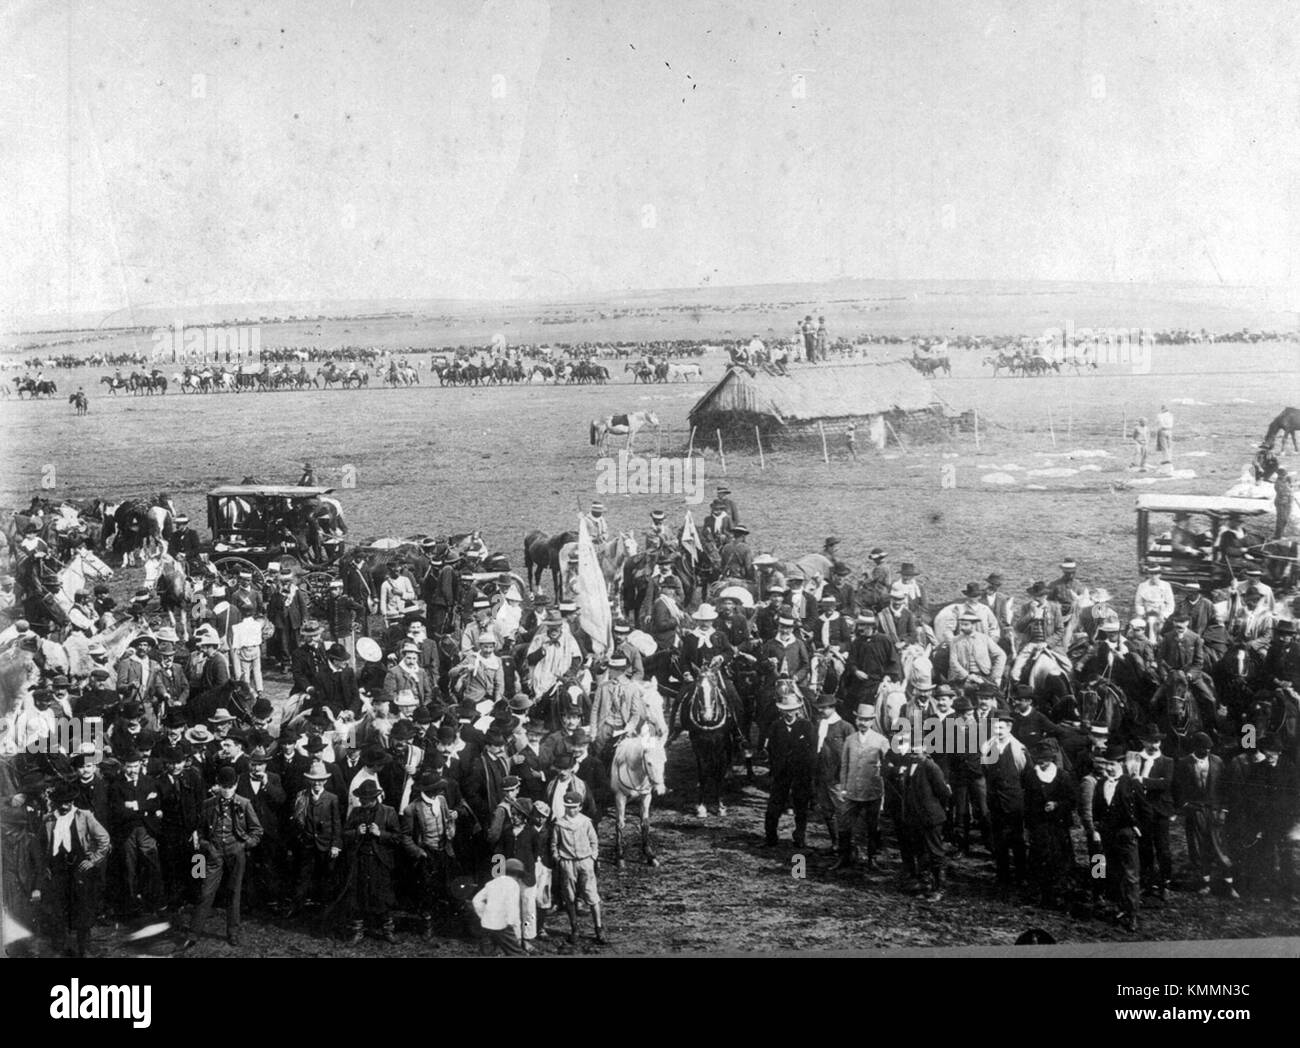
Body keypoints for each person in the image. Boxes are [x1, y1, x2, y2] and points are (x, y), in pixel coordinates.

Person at [182, 765, 264, 950]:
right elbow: (200, 832)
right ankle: (193, 933)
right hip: (214, 852)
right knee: (205, 892)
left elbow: (257, 831)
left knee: (234, 892)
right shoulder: (208, 804)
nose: (227, 790)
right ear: (218, 785)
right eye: (224, 786)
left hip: (236, 852)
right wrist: (207, 846)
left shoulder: (244, 803)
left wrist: (244, 845)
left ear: (235, 785)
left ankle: (232, 932)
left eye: (231, 786)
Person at [34, 780, 111, 958]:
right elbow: (40, 844)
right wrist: (45, 866)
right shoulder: (49, 818)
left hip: (79, 868)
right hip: (57, 869)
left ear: (73, 801)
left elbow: (104, 838)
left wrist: (93, 859)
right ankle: (60, 948)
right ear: (55, 802)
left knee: (82, 908)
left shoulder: (84, 816)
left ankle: (84, 949)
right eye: (61, 802)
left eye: (68, 802)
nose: (65, 805)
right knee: (59, 908)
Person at [1093, 742, 1152, 932]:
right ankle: (1120, 907)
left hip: (1127, 834)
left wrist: (1138, 829)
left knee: (1131, 875)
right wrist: (1098, 826)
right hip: (1108, 835)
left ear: (1121, 764)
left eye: (1113, 764)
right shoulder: (1100, 783)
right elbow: (1097, 808)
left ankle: (1132, 914)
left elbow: (1146, 810)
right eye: (1107, 764)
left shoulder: (1131, 783)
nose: (1109, 768)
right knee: (1114, 872)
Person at [1172, 732, 1236, 897]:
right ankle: (1205, 882)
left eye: (1209, 749)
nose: (1207, 751)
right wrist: (1185, 805)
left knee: (1220, 846)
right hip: (1196, 810)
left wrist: (1224, 809)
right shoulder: (1184, 763)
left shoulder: (1217, 761)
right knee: (1200, 847)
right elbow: (1177, 788)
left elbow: (1225, 788)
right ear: (1196, 748)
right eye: (1203, 749)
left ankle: (1228, 884)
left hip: (1215, 810)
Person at [340, 779, 401, 944]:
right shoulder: (356, 812)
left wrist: (380, 833)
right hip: (359, 860)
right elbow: (344, 834)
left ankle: (388, 930)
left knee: (383, 896)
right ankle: (357, 931)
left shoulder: (389, 812)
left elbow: (398, 838)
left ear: (374, 798)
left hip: (379, 861)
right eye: (360, 799)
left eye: (365, 799)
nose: (361, 801)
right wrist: (356, 833)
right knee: (358, 896)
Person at [401, 770, 458, 940]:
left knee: (448, 887)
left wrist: (451, 825)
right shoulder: (412, 809)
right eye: (434, 789)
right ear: (426, 790)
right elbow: (405, 836)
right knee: (427, 891)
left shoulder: (441, 801)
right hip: (427, 854)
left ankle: (446, 924)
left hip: (444, 851)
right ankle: (427, 925)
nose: (438, 792)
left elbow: (448, 821)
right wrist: (419, 852)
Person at [897, 728, 952, 902]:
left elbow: (943, 792)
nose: (914, 749)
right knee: (921, 852)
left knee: (935, 852)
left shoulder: (930, 766)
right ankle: (925, 884)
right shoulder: (908, 763)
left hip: (931, 817)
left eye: (918, 746)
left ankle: (939, 888)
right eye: (912, 745)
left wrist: (934, 810)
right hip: (916, 817)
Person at [1022, 742, 1077, 909]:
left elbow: (1072, 801)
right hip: (1039, 825)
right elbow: (1027, 801)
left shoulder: (1062, 776)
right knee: (1038, 859)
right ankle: (1038, 893)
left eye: (1044, 761)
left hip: (1058, 825)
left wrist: (1057, 805)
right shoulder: (1031, 776)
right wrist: (1028, 825)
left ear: (1051, 760)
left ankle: (1057, 894)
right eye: (1039, 761)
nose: (1041, 764)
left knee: (1059, 859)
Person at [551, 789, 606, 944]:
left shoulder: (586, 822)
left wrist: (592, 858)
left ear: (580, 807)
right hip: (567, 863)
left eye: (575, 807)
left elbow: (594, 841)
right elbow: (554, 844)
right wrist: (559, 859)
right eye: (568, 807)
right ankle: (574, 928)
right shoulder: (559, 824)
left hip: (585, 862)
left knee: (592, 896)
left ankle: (598, 928)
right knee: (569, 897)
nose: (572, 810)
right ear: (564, 807)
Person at [981, 709, 1028, 889]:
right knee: (999, 839)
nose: (998, 731)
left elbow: (1025, 774)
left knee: (1017, 839)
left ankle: (1021, 875)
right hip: (995, 800)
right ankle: (1002, 875)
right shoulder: (987, 747)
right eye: (995, 727)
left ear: (1009, 728)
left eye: (1001, 728)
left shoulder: (1018, 749)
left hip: (1014, 801)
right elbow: (986, 771)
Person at [765, 691, 815, 849]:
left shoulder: (806, 726)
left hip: (800, 773)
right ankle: (770, 837)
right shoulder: (775, 726)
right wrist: (775, 768)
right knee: (774, 805)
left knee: (801, 806)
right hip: (781, 773)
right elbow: (771, 750)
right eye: (785, 709)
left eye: (792, 709)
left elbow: (812, 751)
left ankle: (799, 836)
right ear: (781, 710)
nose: (789, 713)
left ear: (798, 710)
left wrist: (808, 772)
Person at [811, 691, 853, 869]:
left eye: (824, 708)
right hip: (822, 775)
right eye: (819, 708)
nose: (821, 711)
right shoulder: (820, 724)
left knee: (843, 813)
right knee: (827, 812)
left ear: (832, 708)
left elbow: (851, 753)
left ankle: (848, 850)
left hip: (837, 779)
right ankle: (836, 844)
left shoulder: (845, 727)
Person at [471, 856, 529, 955]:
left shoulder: (491, 883)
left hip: (487, 924)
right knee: (516, 953)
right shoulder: (514, 885)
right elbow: (513, 910)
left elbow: (476, 900)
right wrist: (517, 933)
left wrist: (484, 915)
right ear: (518, 875)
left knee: (487, 953)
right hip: (504, 925)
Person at [1275, 468, 1293, 539]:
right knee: (1281, 519)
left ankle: (1282, 533)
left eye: (1286, 475)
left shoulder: (1287, 479)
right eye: (1283, 475)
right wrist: (1290, 487)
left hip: (1289, 502)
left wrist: (1290, 483)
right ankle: (1278, 535)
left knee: (1286, 519)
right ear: (1279, 475)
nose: (1285, 476)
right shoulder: (1278, 483)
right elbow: (1283, 493)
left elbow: (1291, 487)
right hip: (1281, 503)